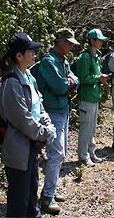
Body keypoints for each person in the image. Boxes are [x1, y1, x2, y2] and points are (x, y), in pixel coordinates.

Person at [0, 33, 56, 218]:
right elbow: (23, 120)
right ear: (19, 56)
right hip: (17, 148)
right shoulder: (11, 83)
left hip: (31, 146)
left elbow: (39, 106)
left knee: (31, 195)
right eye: (30, 51)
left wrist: (48, 126)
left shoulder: (29, 77)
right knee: (19, 200)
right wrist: (45, 133)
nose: (34, 54)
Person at [36, 28, 80, 214]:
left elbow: (73, 79)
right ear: (60, 41)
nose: (71, 46)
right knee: (56, 154)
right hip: (52, 112)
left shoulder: (62, 61)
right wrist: (71, 82)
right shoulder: (49, 62)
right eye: (69, 42)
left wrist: (71, 81)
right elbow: (60, 86)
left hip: (62, 110)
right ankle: (47, 196)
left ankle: (50, 190)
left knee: (60, 153)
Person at [76, 29, 109, 166]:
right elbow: (83, 78)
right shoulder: (85, 57)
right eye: (99, 40)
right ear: (92, 41)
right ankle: (83, 156)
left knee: (93, 128)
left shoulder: (97, 55)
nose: (101, 42)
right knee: (86, 128)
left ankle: (91, 152)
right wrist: (98, 78)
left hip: (94, 97)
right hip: (87, 98)